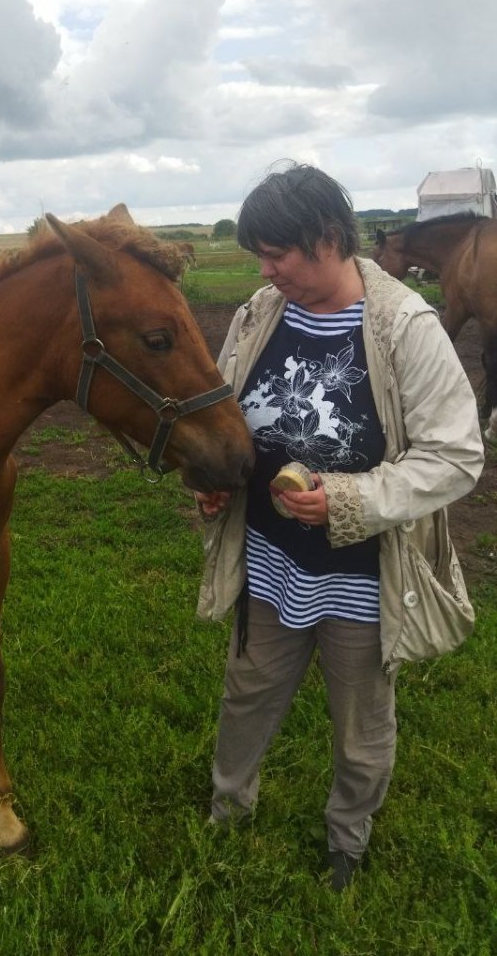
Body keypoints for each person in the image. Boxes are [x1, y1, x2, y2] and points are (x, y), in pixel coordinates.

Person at [195, 163, 484, 891]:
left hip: (361, 576)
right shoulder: (260, 313)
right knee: (248, 691)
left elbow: (455, 456)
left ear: (329, 238)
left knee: (360, 719)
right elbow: (231, 419)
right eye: (259, 255)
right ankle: (229, 806)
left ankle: (346, 839)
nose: (265, 270)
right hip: (270, 560)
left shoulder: (404, 326)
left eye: (277, 254)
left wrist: (351, 501)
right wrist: (216, 483)